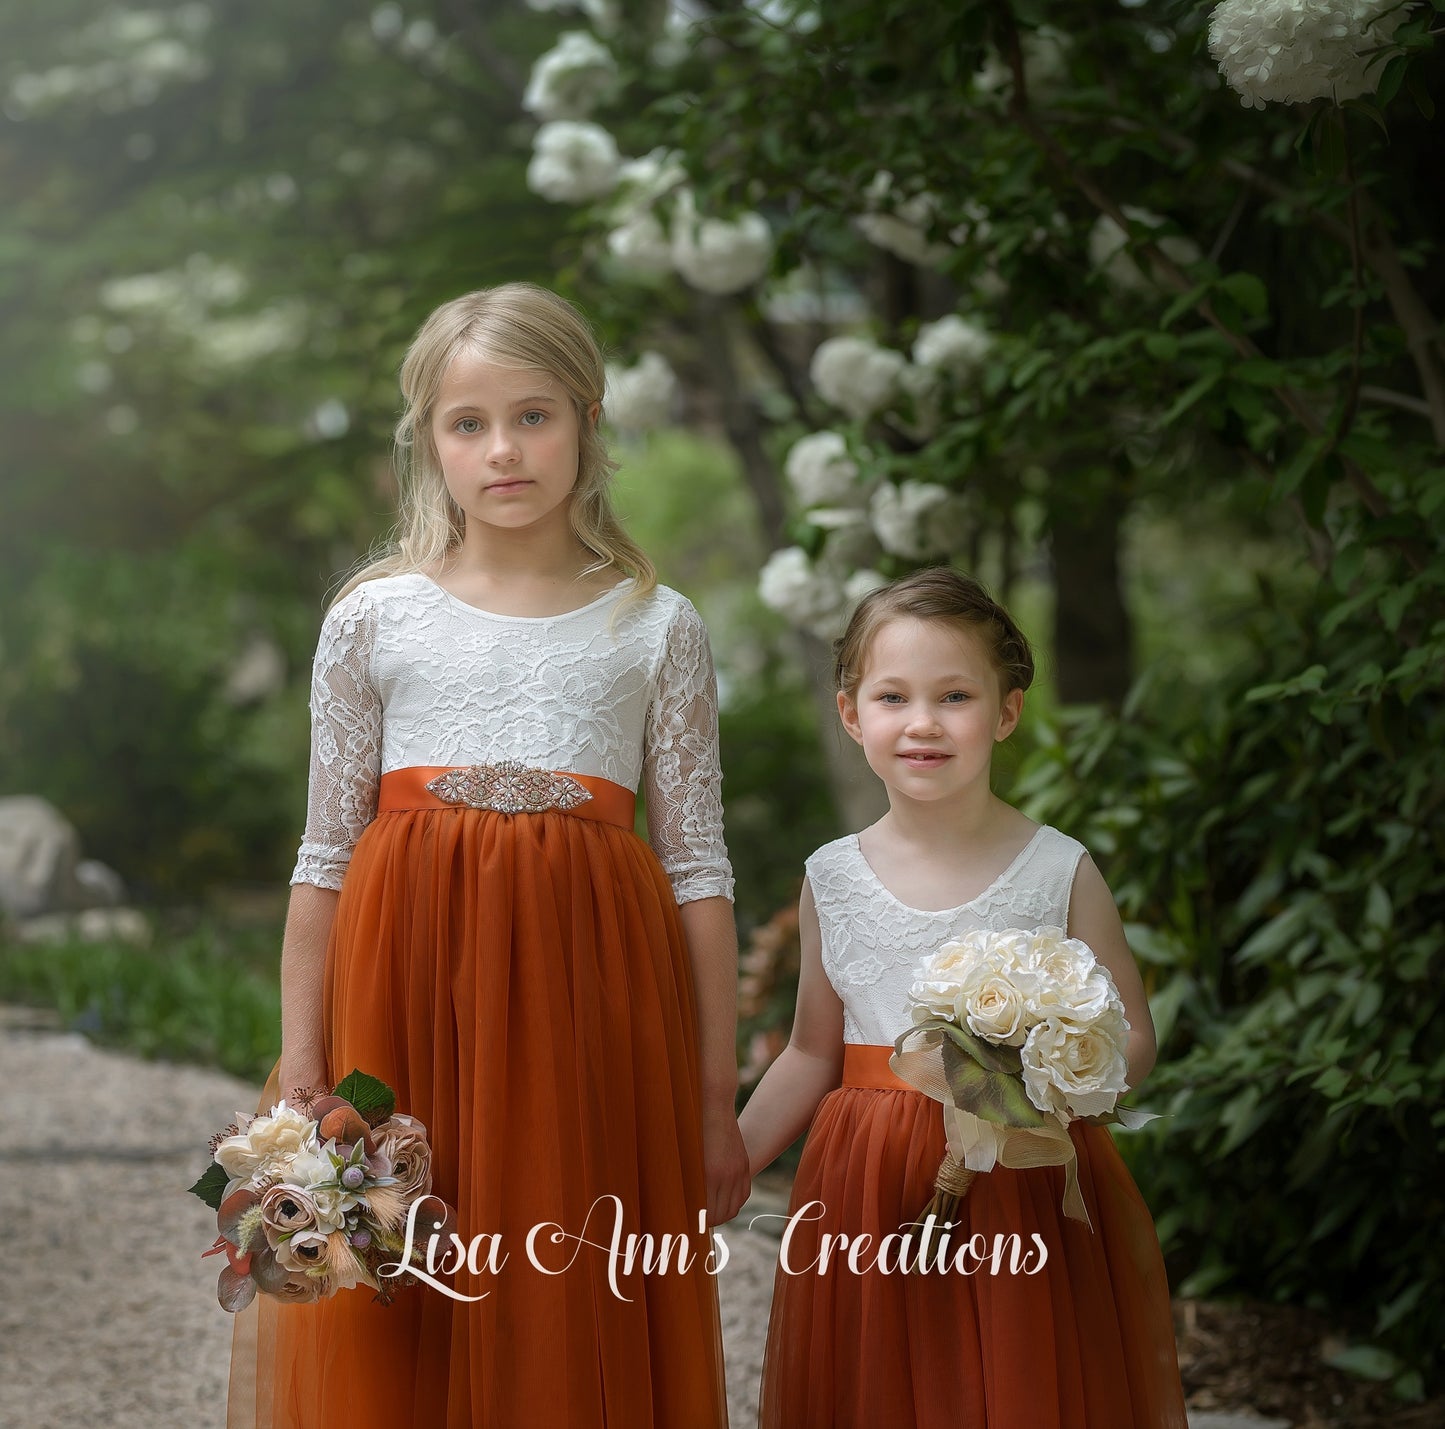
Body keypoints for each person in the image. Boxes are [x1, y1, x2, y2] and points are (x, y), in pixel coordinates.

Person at [226, 282, 749, 1428]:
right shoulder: (373, 617)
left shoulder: (656, 624)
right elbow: (324, 852)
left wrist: (715, 1101)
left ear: (587, 422)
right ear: (429, 439)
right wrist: (303, 1063)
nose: (502, 449)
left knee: (564, 1258)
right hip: (403, 988)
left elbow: (698, 870)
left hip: (588, 1006)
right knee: (401, 1269)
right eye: (468, 423)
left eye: (533, 416)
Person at [740, 567, 1188, 1429]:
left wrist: (1048, 1080)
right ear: (850, 714)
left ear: (1006, 711)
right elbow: (810, 1050)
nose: (923, 722)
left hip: (1017, 1174)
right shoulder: (831, 876)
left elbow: (1133, 1033)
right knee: (879, 1385)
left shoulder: (1057, 868)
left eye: (954, 695)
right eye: (893, 696)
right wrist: (731, 1158)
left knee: (1014, 1380)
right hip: (866, 1182)